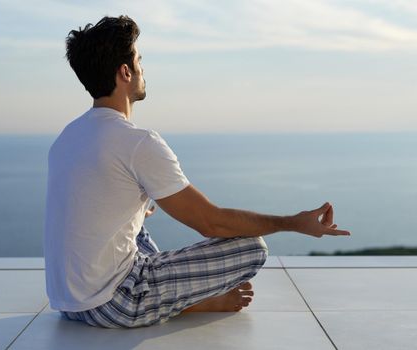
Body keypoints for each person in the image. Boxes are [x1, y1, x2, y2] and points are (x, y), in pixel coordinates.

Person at [43, 15, 351, 329]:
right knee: (252, 247)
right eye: (139, 60)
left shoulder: (67, 137)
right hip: (116, 302)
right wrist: (293, 223)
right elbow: (210, 222)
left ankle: (176, 296)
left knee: (137, 221)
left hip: (68, 302)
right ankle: (190, 302)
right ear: (125, 72)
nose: (143, 68)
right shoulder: (137, 142)